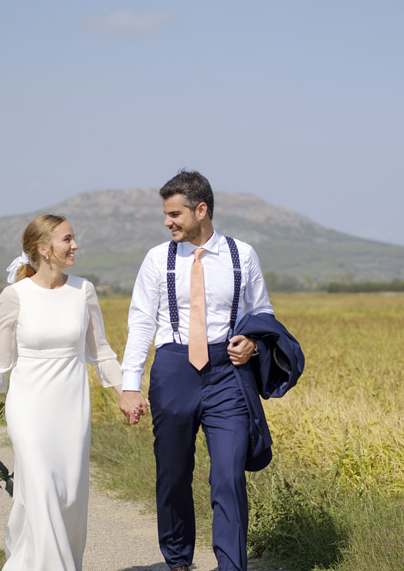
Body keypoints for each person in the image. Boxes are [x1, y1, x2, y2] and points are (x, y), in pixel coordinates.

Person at [118, 170, 273, 571]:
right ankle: (178, 561)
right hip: (173, 369)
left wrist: (254, 342)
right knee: (173, 473)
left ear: (200, 210)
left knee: (228, 475)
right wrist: (130, 386)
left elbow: (263, 313)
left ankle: (231, 566)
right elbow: (140, 323)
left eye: (174, 214)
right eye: (166, 214)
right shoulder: (157, 259)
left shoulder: (243, 255)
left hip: (228, 375)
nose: (167, 222)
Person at [0, 213, 124, 571]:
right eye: (67, 240)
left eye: (73, 238)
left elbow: (100, 351)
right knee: (40, 487)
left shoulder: (83, 291)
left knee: (69, 495)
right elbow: (0, 359)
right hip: (29, 408)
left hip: (71, 406)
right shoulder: (15, 296)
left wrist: (124, 393)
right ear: (43, 249)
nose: (75, 246)